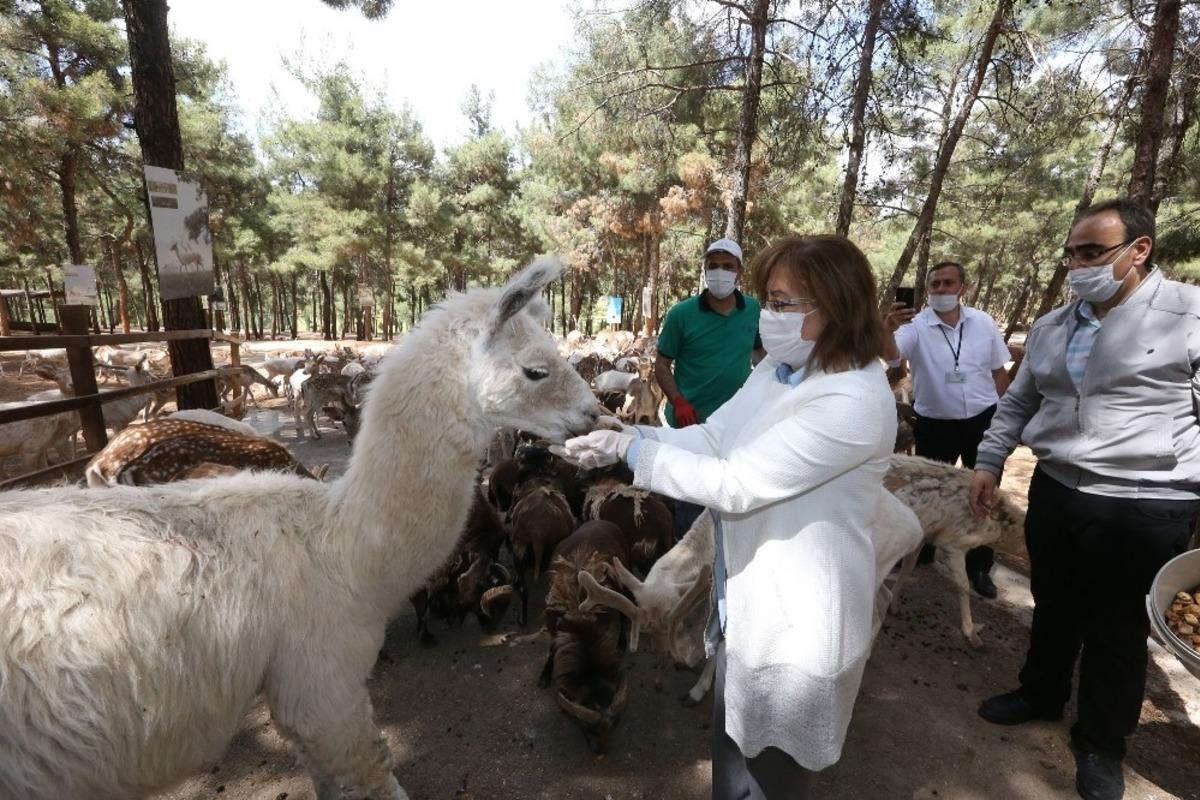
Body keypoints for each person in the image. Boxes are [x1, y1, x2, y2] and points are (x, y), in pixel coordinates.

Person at [558, 235, 922, 799]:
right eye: (768, 299)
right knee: (733, 760)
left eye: (782, 303)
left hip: (799, 627)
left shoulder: (851, 398)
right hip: (747, 607)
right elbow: (713, 437)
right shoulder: (776, 372)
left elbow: (738, 481)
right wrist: (630, 433)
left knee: (770, 779)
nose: (766, 316)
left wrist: (631, 457)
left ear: (835, 306)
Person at [969, 199, 1200, 800]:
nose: (1077, 265)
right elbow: (1019, 401)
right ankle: (1041, 693)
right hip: (1059, 489)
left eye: (1092, 253)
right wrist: (990, 460)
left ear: (1139, 250)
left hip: (1143, 501)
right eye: (1071, 253)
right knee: (1055, 604)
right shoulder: (1054, 324)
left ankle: (1101, 743)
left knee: (1117, 629)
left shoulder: (1188, 313)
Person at [883, 261, 1011, 598]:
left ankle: (980, 567)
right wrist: (887, 328)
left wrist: (1005, 416)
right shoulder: (916, 326)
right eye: (934, 285)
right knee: (928, 491)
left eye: (947, 284)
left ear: (962, 288)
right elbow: (892, 356)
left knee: (985, 496)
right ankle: (918, 550)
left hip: (983, 421)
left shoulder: (983, 323)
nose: (940, 290)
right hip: (935, 424)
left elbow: (999, 371)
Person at [654, 237, 765, 538]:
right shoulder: (682, 314)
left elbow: (759, 354)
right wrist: (678, 401)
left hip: (737, 425)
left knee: (730, 495)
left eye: (727, 266)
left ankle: (725, 561)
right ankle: (689, 567)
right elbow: (662, 364)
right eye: (713, 265)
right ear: (704, 270)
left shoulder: (753, 311)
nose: (720, 272)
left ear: (740, 270)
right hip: (691, 423)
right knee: (691, 502)